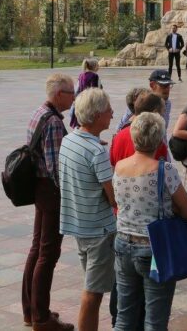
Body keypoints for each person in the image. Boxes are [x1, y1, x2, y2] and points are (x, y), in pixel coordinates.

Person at [112, 112, 187, 331]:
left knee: (124, 317)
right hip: (154, 248)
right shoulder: (164, 169)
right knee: (155, 321)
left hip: (123, 242)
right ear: (158, 140)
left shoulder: (119, 167)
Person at [58, 88, 116, 331]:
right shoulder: (97, 151)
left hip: (78, 224)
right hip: (99, 228)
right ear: (95, 116)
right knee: (93, 293)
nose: (112, 114)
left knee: (93, 286)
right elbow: (112, 195)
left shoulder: (69, 140)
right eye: (107, 111)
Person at [23, 74, 77, 331]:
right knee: (48, 254)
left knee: (37, 249)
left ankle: (30, 310)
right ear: (59, 95)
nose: (74, 97)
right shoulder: (54, 122)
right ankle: (42, 318)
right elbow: (56, 168)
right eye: (71, 93)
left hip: (38, 188)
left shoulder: (38, 112)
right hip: (50, 191)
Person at [110, 91, 168, 166]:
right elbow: (163, 172)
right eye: (163, 111)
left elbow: (113, 169)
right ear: (155, 113)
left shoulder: (117, 137)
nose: (163, 115)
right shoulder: (155, 142)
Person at [70, 58, 102, 129]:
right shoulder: (95, 76)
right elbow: (96, 90)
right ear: (95, 66)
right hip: (90, 102)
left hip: (81, 100)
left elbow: (77, 89)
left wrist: (75, 100)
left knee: (80, 121)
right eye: (98, 65)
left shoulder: (81, 75)